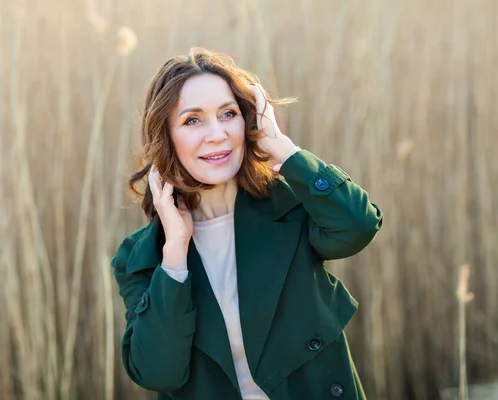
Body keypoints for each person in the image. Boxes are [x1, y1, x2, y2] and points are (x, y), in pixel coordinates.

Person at [111, 47, 383, 400]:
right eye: (193, 120)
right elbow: (158, 372)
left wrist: (284, 151)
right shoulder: (141, 256)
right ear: (166, 137)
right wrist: (175, 255)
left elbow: (358, 226)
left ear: (248, 121)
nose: (217, 134)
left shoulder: (290, 207)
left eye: (228, 114)